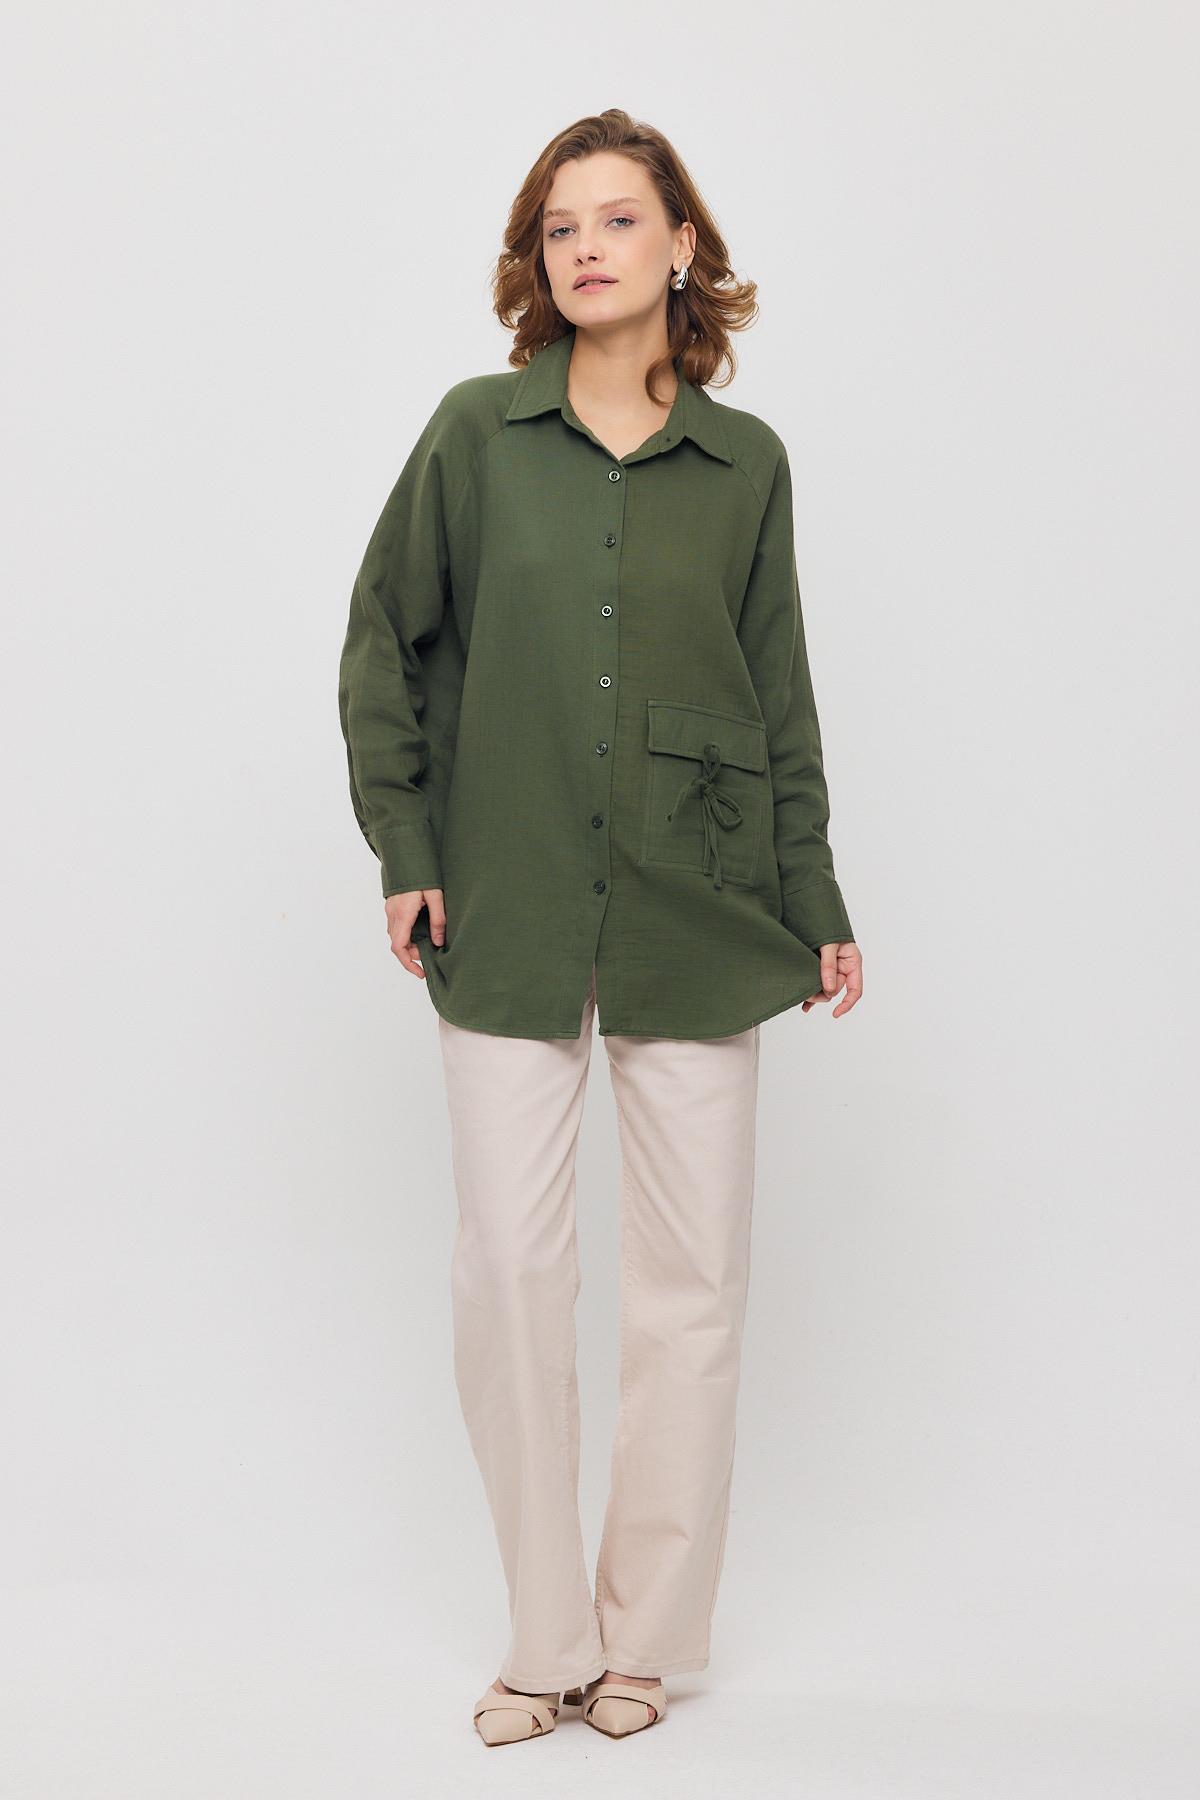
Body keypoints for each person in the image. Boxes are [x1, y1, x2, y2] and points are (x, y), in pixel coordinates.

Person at [337, 107, 863, 1748]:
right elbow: (382, 639)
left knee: (691, 1292)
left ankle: (647, 1640)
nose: (586, 248)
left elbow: (778, 696)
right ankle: (545, 1636)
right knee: (510, 1272)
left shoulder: (747, 465)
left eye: (618, 219)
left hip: (700, 909)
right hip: (500, 903)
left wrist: (814, 897)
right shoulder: (474, 437)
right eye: (560, 226)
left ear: (680, 247)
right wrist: (404, 845)